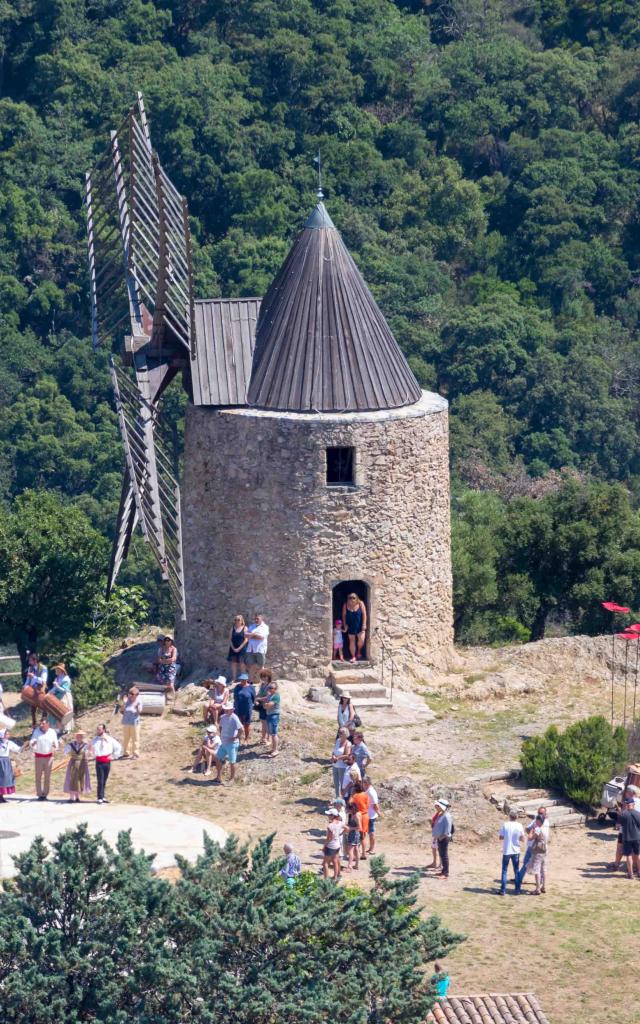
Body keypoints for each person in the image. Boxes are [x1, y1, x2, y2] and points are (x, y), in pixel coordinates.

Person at [517, 806, 549, 888]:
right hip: (543, 848)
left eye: (541, 813)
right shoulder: (545, 822)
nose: (539, 814)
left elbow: (530, 834)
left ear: (545, 813)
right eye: (538, 812)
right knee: (542, 867)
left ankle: (520, 879)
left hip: (534, 847)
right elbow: (527, 829)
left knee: (534, 866)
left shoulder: (537, 823)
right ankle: (542, 884)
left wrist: (532, 832)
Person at [29, 717, 59, 801]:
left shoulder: (52, 732)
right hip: (38, 757)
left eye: (43, 724)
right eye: (41, 724)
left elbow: (56, 743)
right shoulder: (36, 731)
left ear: (48, 724)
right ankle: (39, 794)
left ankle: (45, 794)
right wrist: (32, 743)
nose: (41, 725)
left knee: (47, 777)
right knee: (38, 776)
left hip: (49, 757)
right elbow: (31, 741)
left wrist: (55, 746)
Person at [90, 723, 121, 804]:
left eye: (100, 729)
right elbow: (89, 748)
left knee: (104, 780)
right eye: (97, 729)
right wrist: (91, 753)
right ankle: (99, 797)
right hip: (99, 761)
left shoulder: (109, 739)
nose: (98, 730)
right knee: (100, 780)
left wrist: (114, 756)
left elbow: (118, 747)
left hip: (107, 761)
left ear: (103, 730)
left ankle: (103, 796)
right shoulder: (95, 739)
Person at [215, 701, 242, 783]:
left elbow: (241, 729)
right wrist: (221, 735)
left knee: (232, 762)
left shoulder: (234, 718)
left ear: (232, 710)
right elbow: (220, 727)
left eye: (228, 709)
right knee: (217, 758)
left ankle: (232, 779)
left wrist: (235, 737)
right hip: (224, 742)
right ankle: (218, 777)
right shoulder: (223, 717)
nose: (226, 711)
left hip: (232, 744)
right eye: (225, 709)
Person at [498, 809, 524, 895]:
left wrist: (507, 837)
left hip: (507, 850)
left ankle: (503, 890)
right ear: (516, 817)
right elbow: (522, 838)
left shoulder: (505, 825)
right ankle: (517, 889)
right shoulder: (519, 825)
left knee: (504, 870)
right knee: (516, 870)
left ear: (510, 816)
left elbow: (501, 837)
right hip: (516, 850)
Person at [63, 731, 91, 802]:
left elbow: (88, 754)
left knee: (80, 779)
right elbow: (65, 751)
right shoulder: (71, 744)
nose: (79, 737)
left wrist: (89, 750)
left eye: (81, 736)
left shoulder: (85, 745)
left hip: (81, 763)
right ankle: (72, 797)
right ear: (76, 736)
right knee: (72, 779)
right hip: (73, 763)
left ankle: (77, 796)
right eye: (78, 736)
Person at [24, 653, 48, 729]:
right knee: (33, 708)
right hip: (32, 690)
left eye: (30, 660)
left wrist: (34, 677)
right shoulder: (30, 668)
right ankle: (34, 724)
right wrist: (24, 687)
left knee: (44, 707)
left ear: (35, 660)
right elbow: (28, 680)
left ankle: (43, 723)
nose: (29, 662)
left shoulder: (43, 668)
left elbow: (43, 681)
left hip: (40, 689)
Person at [341, 593, 367, 663]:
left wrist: (364, 624)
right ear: (348, 598)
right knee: (352, 641)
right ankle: (353, 656)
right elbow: (343, 615)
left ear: (357, 598)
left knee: (361, 640)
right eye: (350, 598)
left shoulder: (361, 603)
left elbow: (364, 614)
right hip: (350, 625)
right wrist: (345, 624)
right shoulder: (346, 605)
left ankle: (359, 651)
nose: (352, 599)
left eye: (353, 597)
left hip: (360, 625)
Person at [619, 796, 640, 880]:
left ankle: (630, 874)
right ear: (633, 805)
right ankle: (639, 872)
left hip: (627, 838)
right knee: (638, 855)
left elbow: (619, 825)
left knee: (628, 855)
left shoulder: (623, 814)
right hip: (637, 837)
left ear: (626, 805)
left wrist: (619, 814)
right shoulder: (638, 814)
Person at [432, 800, 453, 879]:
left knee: (444, 856)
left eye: (437, 806)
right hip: (440, 838)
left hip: (443, 838)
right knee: (441, 854)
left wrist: (441, 837)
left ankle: (445, 873)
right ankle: (443, 871)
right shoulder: (441, 815)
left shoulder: (447, 816)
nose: (436, 807)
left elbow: (447, 830)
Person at [49, 663, 74, 732]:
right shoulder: (57, 678)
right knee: (56, 712)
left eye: (57, 670)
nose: (55, 671)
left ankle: (66, 728)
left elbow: (64, 690)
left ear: (61, 671)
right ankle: (58, 728)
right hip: (58, 696)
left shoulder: (66, 679)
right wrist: (49, 693)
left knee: (65, 712)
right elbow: (54, 689)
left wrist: (57, 686)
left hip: (64, 697)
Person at [349, 780, 370, 861]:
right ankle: (364, 854)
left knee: (356, 835)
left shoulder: (355, 796)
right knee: (363, 836)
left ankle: (355, 855)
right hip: (365, 815)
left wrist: (351, 795)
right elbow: (367, 805)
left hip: (358, 815)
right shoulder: (365, 795)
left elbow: (350, 803)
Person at [244, 614, 269, 681]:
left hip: (259, 649)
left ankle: (263, 681)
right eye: (255, 619)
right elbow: (246, 635)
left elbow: (261, 637)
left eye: (257, 619)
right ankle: (250, 681)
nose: (256, 620)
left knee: (261, 666)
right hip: (251, 649)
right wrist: (255, 634)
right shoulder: (252, 626)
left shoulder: (265, 627)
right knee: (251, 666)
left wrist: (251, 635)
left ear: (262, 619)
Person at [528, 814, 548, 895]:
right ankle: (544, 886)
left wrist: (531, 831)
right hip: (544, 850)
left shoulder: (538, 829)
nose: (535, 821)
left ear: (539, 821)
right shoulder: (545, 828)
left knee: (537, 870)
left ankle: (537, 889)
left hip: (538, 851)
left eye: (537, 820)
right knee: (543, 869)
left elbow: (530, 838)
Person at [121, 687, 143, 759]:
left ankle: (135, 754)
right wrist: (124, 703)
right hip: (126, 722)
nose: (130, 695)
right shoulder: (127, 701)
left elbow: (139, 712)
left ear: (136, 695)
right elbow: (122, 711)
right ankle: (126, 753)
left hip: (134, 723)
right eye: (129, 693)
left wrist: (136, 707)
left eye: (131, 694)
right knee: (126, 738)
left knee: (135, 739)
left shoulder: (138, 701)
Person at [233, 673, 256, 742]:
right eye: (241, 680)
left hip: (247, 708)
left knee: (247, 724)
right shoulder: (237, 687)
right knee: (239, 723)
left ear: (247, 680)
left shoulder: (251, 687)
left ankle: (246, 738)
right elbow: (235, 697)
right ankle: (239, 738)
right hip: (238, 707)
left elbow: (253, 698)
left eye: (244, 680)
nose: (242, 681)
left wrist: (252, 705)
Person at [322, 807, 344, 880]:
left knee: (325, 863)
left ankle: (326, 879)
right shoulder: (340, 823)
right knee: (335, 861)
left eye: (329, 815)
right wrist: (340, 834)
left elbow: (329, 838)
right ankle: (335, 877)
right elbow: (347, 828)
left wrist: (325, 845)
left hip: (331, 845)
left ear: (332, 816)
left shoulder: (330, 826)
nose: (328, 816)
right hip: (337, 844)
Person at [0, 730, 20, 802]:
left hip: (6, 761)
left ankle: (1, 795)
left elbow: (18, 749)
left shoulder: (9, 743)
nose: (8, 735)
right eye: (6, 734)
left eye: (8, 734)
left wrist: (25, 745)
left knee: (6, 778)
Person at [331, 728, 352, 798]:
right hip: (335, 765)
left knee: (342, 784)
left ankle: (343, 799)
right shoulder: (338, 740)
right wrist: (333, 756)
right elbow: (334, 750)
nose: (339, 734)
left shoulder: (348, 743)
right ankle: (337, 798)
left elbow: (347, 755)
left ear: (345, 734)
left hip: (342, 766)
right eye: (339, 732)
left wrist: (337, 758)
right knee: (336, 783)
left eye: (341, 733)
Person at [254, 669, 273, 744]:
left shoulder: (271, 686)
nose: (264, 678)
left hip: (268, 706)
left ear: (269, 676)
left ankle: (269, 739)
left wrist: (259, 698)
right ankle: (263, 738)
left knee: (268, 723)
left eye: (265, 676)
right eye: (262, 676)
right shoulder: (262, 685)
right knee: (263, 722)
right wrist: (256, 699)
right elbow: (259, 693)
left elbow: (269, 696)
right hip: (262, 706)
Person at [227, 615, 248, 681]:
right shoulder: (232, 628)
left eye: (238, 620)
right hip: (233, 648)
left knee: (242, 663)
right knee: (233, 663)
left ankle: (243, 679)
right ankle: (234, 678)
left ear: (242, 621)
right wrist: (233, 648)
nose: (236, 621)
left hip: (242, 648)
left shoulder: (245, 628)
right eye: (235, 619)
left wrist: (239, 648)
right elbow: (230, 639)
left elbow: (246, 639)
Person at [363, 776, 380, 855]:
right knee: (369, 832)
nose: (363, 784)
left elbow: (375, 805)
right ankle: (370, 848)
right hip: (368, 814)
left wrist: (379, 813)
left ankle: (372, 848)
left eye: (364, 783)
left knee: (371, 832)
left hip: (371, 815)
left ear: (367, 783)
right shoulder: (367, 790)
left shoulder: (371, 792)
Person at [263, 681, 281, 757]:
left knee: (274, 733)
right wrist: (266, 705)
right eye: (269, 687)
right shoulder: (270, 696)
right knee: (271, 733)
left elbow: (269, 705)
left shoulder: (276, 696)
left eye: (271, 688)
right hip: (269, 715)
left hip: (274, 716)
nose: (269, 689)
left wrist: (266, 705)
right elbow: (265, 706)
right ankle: (273, 749)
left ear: (275, 689)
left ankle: (276, 750)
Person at [346, 803, 361, 871]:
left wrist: (350, 828)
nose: (347, 810)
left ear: (352, 809)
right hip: (353, 834)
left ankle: (350, 865)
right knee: (356, 849)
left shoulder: (356, 816)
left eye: (348, 809)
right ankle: (356, 865)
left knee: (350, 850)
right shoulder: (351, 815)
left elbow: (359, 827)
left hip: (354, 834)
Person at [427, 805, 442, 871]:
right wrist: (431, 823)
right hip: (435, 833)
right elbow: (434, 825)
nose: (436, 808)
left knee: (440, 849)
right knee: (434, 847)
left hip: (439, 834)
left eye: (437, 806)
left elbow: (440, 825)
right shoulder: (437, 813)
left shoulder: (442, 814)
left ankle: (441, 864)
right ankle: (434, 862)